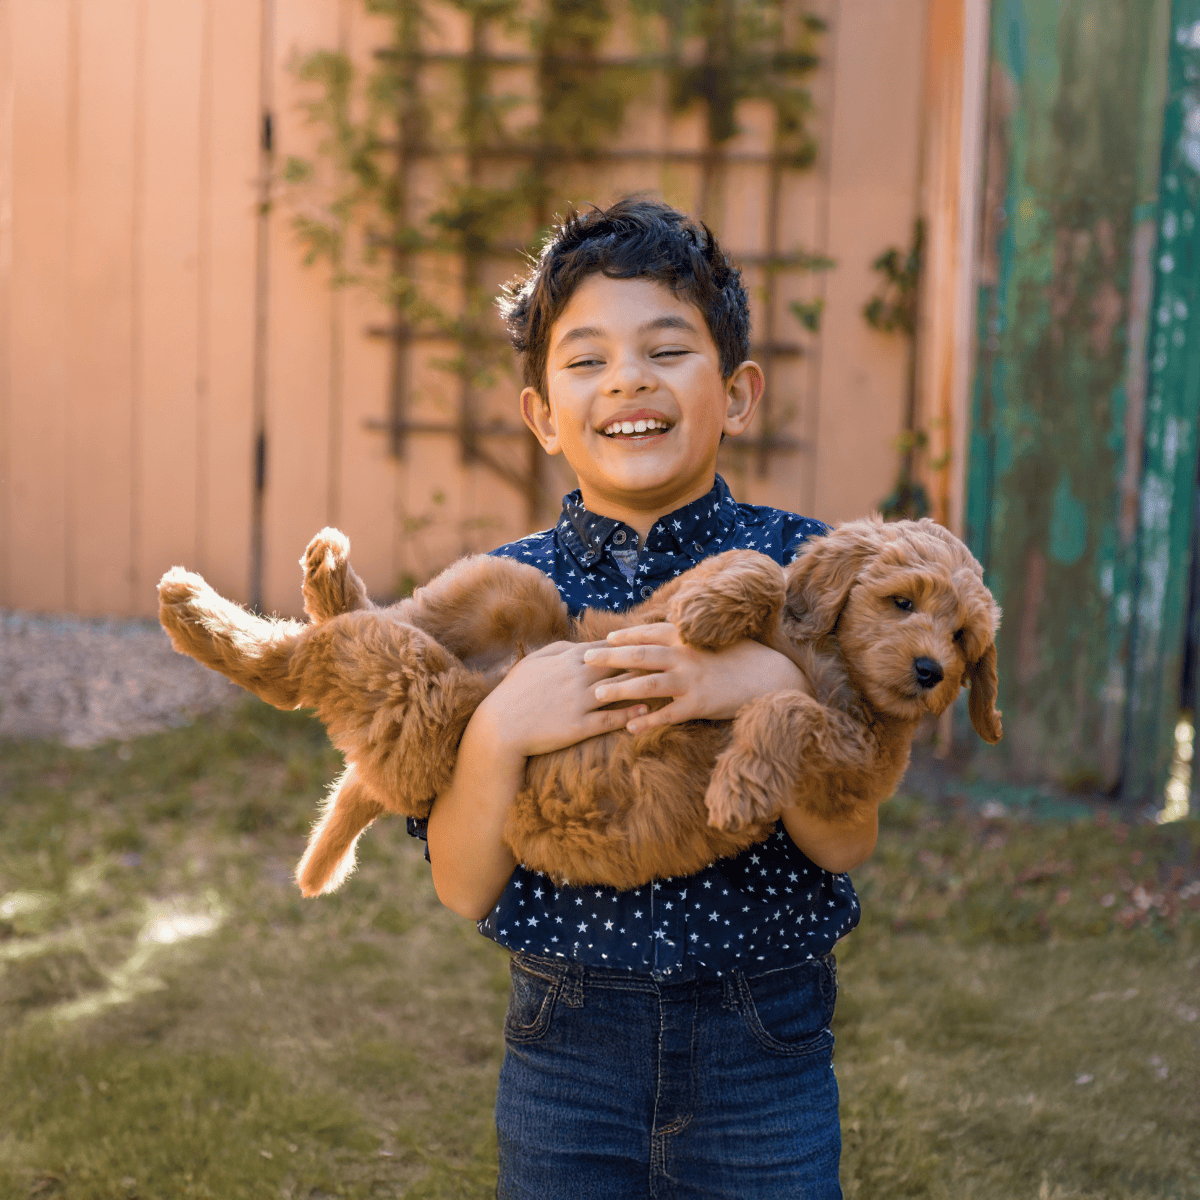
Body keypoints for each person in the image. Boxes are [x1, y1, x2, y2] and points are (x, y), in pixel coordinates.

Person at [416, 198, 878, 1199]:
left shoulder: (813, 573)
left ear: (738, 393)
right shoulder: (503, 599)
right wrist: (497, 731)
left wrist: (771, 683)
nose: (627, 378)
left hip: (766, 1045)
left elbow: (847, 840)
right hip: (564, 1051)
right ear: (541, 413)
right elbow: (461, 886)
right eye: (585, 361)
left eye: (666, 350)